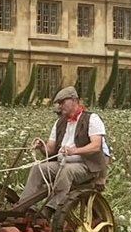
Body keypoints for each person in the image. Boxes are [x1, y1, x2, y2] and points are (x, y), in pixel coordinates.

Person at [14, 86, 111, 219]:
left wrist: (74, 151)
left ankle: (50, 209)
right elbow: (51, 150)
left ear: (74, 100)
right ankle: (25, 207)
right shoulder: (59, 123)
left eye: (62, 102)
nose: (59, 106)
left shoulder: (92, 119)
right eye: (58, 103)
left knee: (67, 170)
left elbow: (95, 146)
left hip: (88, 165)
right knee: (38, 168)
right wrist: (41, 147)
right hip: (63, 163)